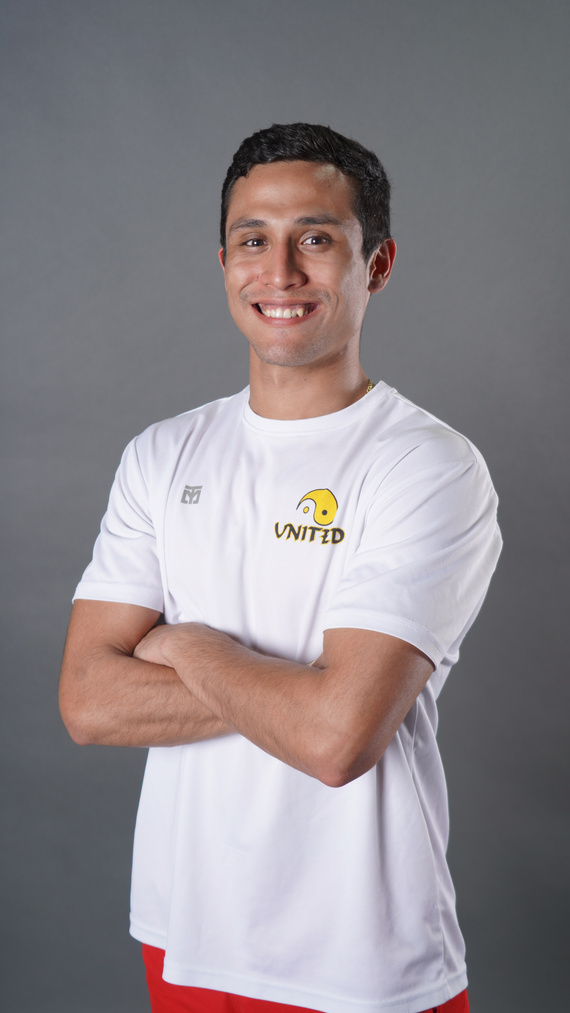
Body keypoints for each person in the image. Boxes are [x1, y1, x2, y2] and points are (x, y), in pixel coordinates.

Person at [60, 123, 502, 1013]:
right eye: (253, 240)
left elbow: (337, 740)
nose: (281, 271)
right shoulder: (162, 454)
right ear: (224, 261)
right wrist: (306, 692)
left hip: (359, 959)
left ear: (376, 264)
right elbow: (89, 702)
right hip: (185, 936)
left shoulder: (427, 465)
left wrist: (184, 643)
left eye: (317, 238)